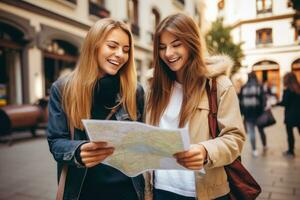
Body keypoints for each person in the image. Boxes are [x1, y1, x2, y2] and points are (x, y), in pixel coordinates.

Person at [145, 13, 245, 200]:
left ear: (191, 43)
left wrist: (205, 151)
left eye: (176, 45)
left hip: (204, 193)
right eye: (162, 47)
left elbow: (235, 138)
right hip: (160, 190)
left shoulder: (219, 85)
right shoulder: (152, 87)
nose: (168, 53)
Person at [47, 18, 145, 200]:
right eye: (112, 46)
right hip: (83, 191)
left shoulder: (135, 91)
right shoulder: (62, 89)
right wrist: (78, 150)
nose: (120, 55)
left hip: (129, 191)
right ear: (94, 45)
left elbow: (142, 139)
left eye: (125, 49)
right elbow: (56, 142)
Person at [239, 72, 265, 157]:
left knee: (251, 132)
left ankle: (254, 150)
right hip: (258, 113)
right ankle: (264, 145)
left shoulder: (243, 87)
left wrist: (242, 113)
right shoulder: (259, 86)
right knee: (261, 130)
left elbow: (241, 102)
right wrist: (262, 111)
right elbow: (262, 100)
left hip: (248, 114)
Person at [278, 72, 300, 158]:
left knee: (290, 134)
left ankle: (291, 151)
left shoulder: (287, 90)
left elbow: (284, 103)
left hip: (290, 116)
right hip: (299, 115)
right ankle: (290, 151)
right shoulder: (299, 89)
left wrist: (275, 103)